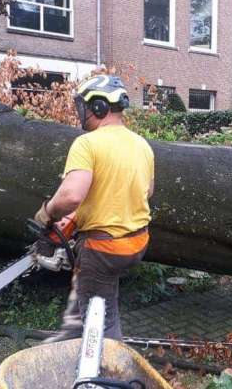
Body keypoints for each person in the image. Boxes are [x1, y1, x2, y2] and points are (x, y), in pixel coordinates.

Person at [33, 74, 155, 342]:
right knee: (94, 297)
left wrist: (47, 213)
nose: (83, 112)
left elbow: (71, 196)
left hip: (104, 250)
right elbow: (147, 191)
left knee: (101, 323)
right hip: (137, 243)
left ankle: (105, 374)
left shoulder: (87, 143)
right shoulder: (142, 145)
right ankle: (71, 337)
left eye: (85, 106)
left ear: (98, 107)